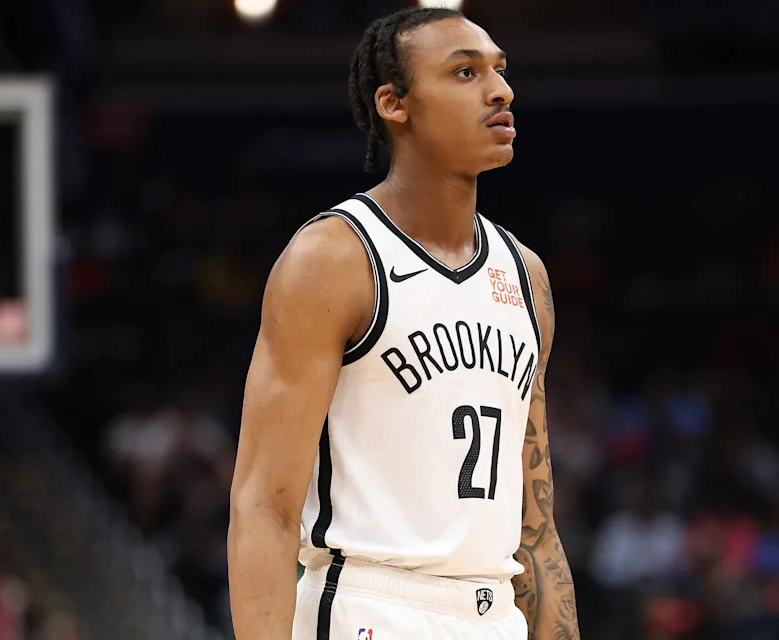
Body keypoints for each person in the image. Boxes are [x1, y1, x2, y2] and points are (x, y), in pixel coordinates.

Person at [227, 7, 579, 640]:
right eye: (466, 73)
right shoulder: (334, 258)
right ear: (394, 103)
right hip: (371, 604)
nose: (501, 90)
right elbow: (264, 507)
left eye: (500, 70)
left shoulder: (525, 275)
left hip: (493, 611)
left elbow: (536, 528)